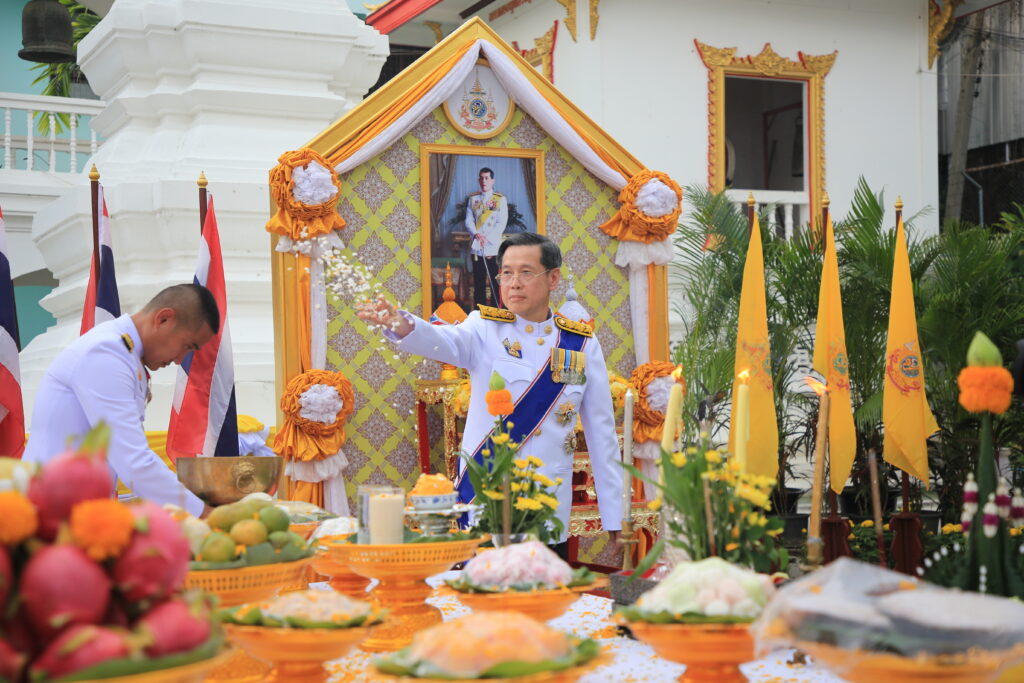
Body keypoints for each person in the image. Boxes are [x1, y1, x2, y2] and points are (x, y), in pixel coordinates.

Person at [360, 232, 622, 556]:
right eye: (506, 273)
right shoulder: (484, 329)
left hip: (546, 511)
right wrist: (400, 324)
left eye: (526, 272)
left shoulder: (581, 343)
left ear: (553, 278)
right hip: (486, 504)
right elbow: (442, 341)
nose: (514, 283)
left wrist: (616, 516)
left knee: (543, 589)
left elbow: (602, 435)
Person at [24, 284, 219, 517]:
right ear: (164, 319)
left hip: (74, 511)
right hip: (49, 512)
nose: (180, 360)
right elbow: (134, 463)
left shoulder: (124, 354)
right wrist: (206, 514)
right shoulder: (106, 354)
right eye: (187, 346)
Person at [464, 167, 507, 307]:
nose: (484, 181)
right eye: (481, 178)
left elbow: (501, 223)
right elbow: (468, 221)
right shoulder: (473, 199)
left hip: (493, 248)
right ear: (478, 180)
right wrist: (476, 234)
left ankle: (496, 311)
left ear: (492, 180)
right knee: (479, 283)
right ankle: (479, 312)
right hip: (477, 247)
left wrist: (487, 239)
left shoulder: (500, 199)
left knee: (495, 283)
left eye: (487, 178)